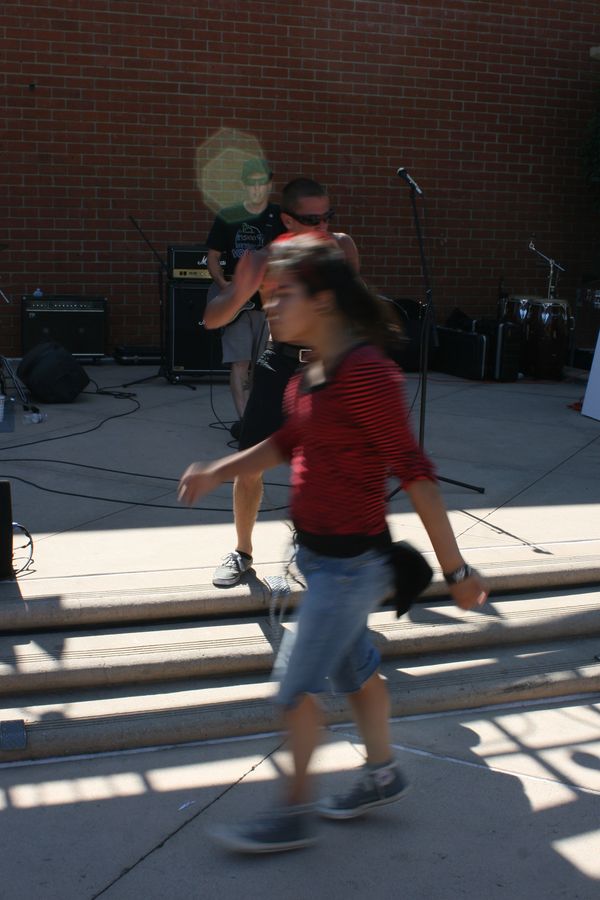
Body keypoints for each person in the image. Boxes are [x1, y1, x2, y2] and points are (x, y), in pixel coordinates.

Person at [179, 234, 489, 854]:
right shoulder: (309, 376)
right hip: (322, 562)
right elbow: (286, 443)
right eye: (268, 294)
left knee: (294, 689)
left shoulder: (366, 373)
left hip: (351, 567)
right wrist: (219, 470)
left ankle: (292, 813)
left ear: (322, 300)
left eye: (282, 294)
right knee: (358, 674)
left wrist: (457, 572)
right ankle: (383, 774)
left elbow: (415, 472)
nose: (269, 305)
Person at [203, 177, 360, 587]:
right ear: (287, 220)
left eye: (328, 216)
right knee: (249, 464)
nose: (323, 225)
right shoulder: (265, 259)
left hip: (326, 367)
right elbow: (214, 317)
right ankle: (242, 552)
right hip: (280, 363)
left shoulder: (342, 246)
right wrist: (236, 293)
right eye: (312, 219)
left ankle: (316, 546)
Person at [205, 158, 285, 420]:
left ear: (269, 185)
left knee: (263, 365)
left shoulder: (279, 217)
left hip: (266, 302)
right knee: (240, 362)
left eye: (261, 183)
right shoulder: (229, 215)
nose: (256, 188)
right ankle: (245, 422)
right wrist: (225, 287)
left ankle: (257, 415)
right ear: (243, 185)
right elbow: (213, 257)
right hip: (237, 302)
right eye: (251, 183)